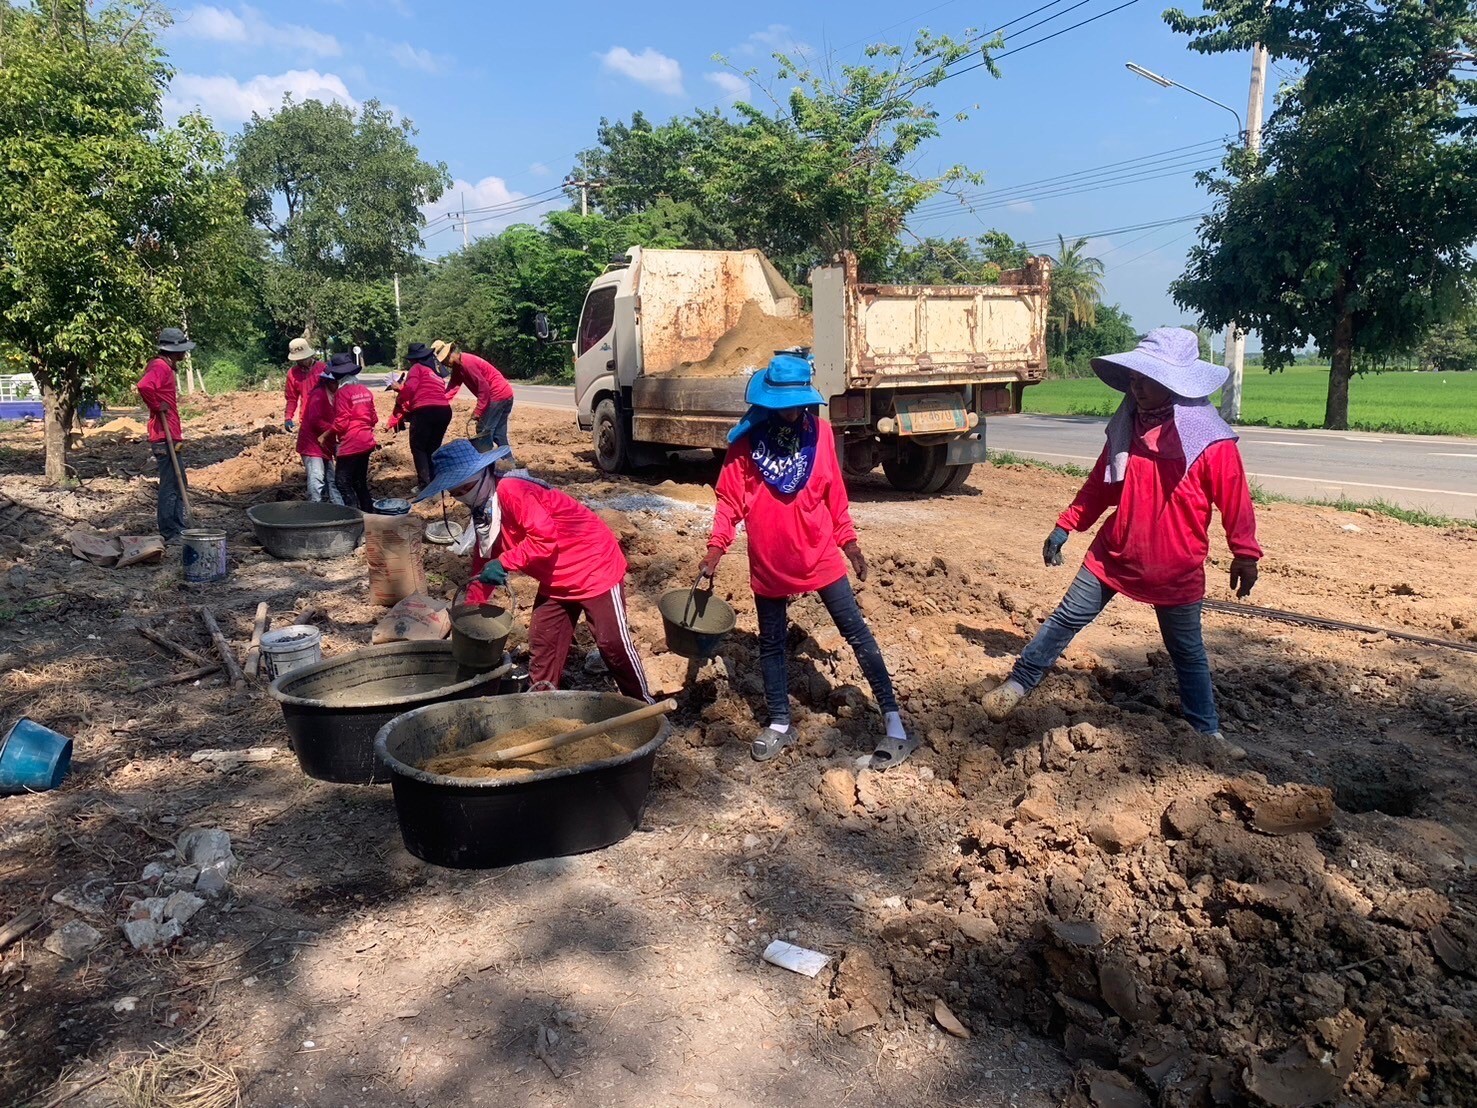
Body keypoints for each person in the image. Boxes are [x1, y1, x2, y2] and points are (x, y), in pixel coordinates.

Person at [981, 327, 1262, 759]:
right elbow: (1100, 486)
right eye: (1135, 378)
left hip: (1176, 566)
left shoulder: (1212, 443)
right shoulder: (1128, 430)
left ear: (1175, 384)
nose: (1137, 386)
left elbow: (1235, 501)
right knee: (1064, 620)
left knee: (1187, 652)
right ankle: (1017, 683)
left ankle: (1207, 733)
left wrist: (1245, 553)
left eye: (1147, 379)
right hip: (1114, 554)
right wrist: (1066, 525)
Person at [699, 354, 914, 769]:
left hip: (819, 555)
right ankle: (780, 722)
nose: (791, 412)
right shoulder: (746, 443)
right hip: (769, 562)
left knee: (857, 634)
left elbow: (835, 496)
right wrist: (715, 550)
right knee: (772, 644)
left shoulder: (822, 434)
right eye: (782, 405)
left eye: (797, 404)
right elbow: (728, 503)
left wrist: (849, 544)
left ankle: (895, 724)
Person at [414, 439, 652, 702]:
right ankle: (542, 704)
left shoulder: (512, 490)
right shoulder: (485, 510)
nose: (462, 496)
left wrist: (504, 563)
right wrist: (470, 614)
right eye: (456, 492)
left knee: (612, 644)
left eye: (466, 488)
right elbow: (484, 560)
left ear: (483, 474)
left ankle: (643, 704)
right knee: (543, 644)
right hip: (555, 577)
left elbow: (544, 540)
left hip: (593, 566)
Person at [137, 327, 194, 543]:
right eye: (182, 350)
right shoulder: (160, 367)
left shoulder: (165, 367)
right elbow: (144, 386)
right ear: (173, 350)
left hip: (170, 432)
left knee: (179, 483)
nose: (184, 354)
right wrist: (156, 405)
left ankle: (177, 527)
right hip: (163, 435)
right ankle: (170, 531)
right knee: (171, 484)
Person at [388, 342, 453, 493]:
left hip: (425, 411)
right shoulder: (434, 374)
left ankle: (425, 485)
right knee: (432, 448)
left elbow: (410, 391)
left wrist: (399, 388)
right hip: (444, 411)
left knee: (418, 447)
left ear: (413, 359)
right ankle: (435, 481)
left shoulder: (416, 369)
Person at [431, 339, 516, 454]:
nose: (446, 363)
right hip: (504, 394)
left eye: (446, 359)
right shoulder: (458, 367)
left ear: (452, 352)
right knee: (499, 434)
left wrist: (478, 411)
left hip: (497, 395)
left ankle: (486, 463)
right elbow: (454, 386)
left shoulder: (467, 363)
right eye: (443, 361)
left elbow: (484, 388)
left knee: (483, 431)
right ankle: (508, 462)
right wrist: (441, 400)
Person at [324, 354, 379, 512]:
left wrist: (325, 435)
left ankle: (354, 516)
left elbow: (341, 423)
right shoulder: (365, 391)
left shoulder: (342, 393)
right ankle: (369, 514)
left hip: (351, 443)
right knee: (359, 481)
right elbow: (373, 418)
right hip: (366, 441)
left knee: (342, 482)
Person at [298, 354, 346, 505]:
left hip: (325, 443)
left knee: (332, 478)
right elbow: (315, 420)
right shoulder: (318, 395)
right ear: (328, 381)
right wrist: (335, 432)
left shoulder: (334, 395)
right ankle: (315, 507)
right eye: (335, 382)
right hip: (312, 444)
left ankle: (339, 507)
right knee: (317, 477)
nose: (338, 385)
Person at [283, 337, 323, 433]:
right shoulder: (292, 373)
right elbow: (291, 398)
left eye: (303, 358)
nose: (301, 361)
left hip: (325, 417)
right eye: (298, 359)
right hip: (306, 418)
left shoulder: (323, 369)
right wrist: (288, 417)